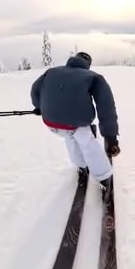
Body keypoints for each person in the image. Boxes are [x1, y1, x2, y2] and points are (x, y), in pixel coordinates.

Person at [30, 52, 119, 188]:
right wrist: (110, 136)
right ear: (87, 65)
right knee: (88, 144)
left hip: (51, 123)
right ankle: (104, 177)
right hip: (77, 124)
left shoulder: (51, 72)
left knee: (69, 138)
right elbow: (106, 106)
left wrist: (39, 106)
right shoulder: (93, 77)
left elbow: (35, 90)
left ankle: (80, 166)